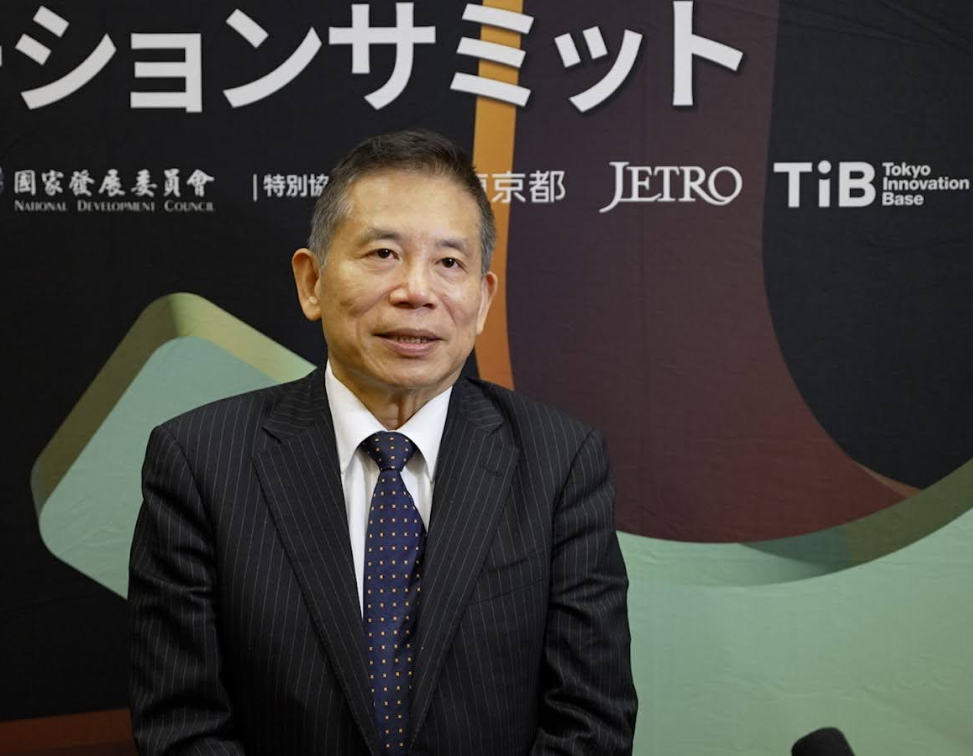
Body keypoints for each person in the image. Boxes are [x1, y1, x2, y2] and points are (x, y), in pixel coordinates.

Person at [128, 129, 636, 755]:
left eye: (449, 263)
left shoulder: (559, 462)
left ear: (482, 301)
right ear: (311, 282)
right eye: (383, 253)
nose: (416, 291)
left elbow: (590, 722)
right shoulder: (201, 461)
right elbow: (183, 728)